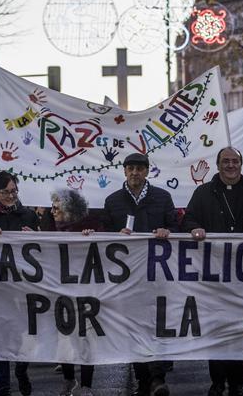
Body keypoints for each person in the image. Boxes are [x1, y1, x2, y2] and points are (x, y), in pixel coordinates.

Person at [182, 147, 243, 396]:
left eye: (235, 161)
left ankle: (236, 384)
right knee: (217, 331)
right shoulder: (202, 193)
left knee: (241, 330)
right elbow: (188, 220)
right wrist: (194, 229)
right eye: (226, 161)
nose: (231, 165)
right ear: (218, 164)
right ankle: (217, 382)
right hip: (213, 277)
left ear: (241, 164)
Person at [101, 152, 176, 396]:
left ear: (147, 171)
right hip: (128, 279)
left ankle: (156, 378)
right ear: (124, 171)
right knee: (134, 328)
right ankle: (145, 381)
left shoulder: (162, 198)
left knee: (156, 326)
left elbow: (176, 227)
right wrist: (115, 235)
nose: (135, 173)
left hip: (157, 276)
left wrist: (168, 230)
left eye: (139, 168)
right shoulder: (112, 201)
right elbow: (104, 236)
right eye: (130, 168)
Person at [0, 171, 41, 396]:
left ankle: (21, 369)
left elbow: (42, 246)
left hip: (22, 285)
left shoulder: (28, 215)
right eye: (6, 192)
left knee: (24, 334)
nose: (11, 196)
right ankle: (5, 385)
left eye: (14, 191)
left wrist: (34, 235)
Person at [47, 188, 98, 396]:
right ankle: (69, 380)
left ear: (69, 209)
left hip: (85, 291)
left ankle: (86, 385)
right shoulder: (50, 227)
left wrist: (91, 237)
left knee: (85, 339)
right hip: (59, 292)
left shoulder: (88, 227)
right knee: (64, 338)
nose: (52, 211)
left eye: (56, 207)